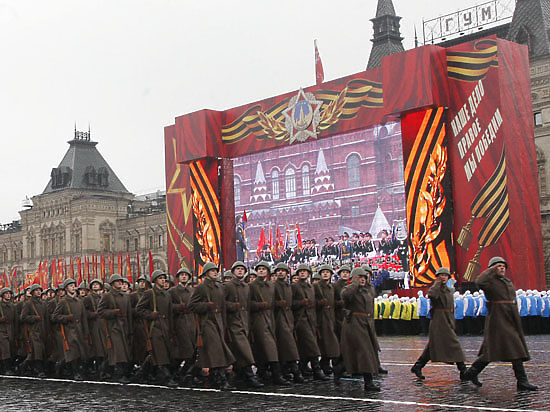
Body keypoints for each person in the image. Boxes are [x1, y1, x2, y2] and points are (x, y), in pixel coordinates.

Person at [462, 257, 538, 391]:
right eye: (498, 266)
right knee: (513, 347)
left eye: (503, 266)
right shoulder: (489, 282)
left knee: (493, 351)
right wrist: (490, 270)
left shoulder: (507, 282)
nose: (502, 268)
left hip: (510, 318)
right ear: (491, 269)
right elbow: (479, 281)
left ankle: (470, 373)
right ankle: (522, 381)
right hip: (498, 319)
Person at [410, 268, 466, 380]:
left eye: (446, 275)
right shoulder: (435, 289)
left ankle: (418, 366)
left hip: (447, 319)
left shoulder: (450, 290)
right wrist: (437, 284)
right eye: (441, 275)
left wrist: (452, 321)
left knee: (432, 347)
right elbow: (431, 295)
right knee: (454, 344)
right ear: (437, 277)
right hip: (439, 321)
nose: (443, 277)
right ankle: (463, 370)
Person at [189, 262, 235, 390]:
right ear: (206, 273)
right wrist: (205, 306)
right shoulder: (201, 288)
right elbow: (192, 305)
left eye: (216, 270)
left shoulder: (220, 287)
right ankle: (221, 379)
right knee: (216, 351)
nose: (215, 272)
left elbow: (223, 307)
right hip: (207, 321)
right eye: (212, 270)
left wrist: (224, 323)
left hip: (219, 320)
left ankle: (194, 374)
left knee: (213, 352)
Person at [336, 266, 381, 392]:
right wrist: (354, 284)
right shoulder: (349, 289)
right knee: (364, 351)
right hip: (354, 323)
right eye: (359, 277)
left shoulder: (367, 291)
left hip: (366, 323)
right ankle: (368, 382)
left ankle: (339, 369)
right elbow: (345, 295)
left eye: (364, 277)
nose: (362, 279)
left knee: (361, 351)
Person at [223, 261, 263, 388]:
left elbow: (249, 306)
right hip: (233, 321)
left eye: (242, 269)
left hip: (244, 321)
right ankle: (250, 375)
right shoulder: (228, 286)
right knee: (244, 349)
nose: (240, 271)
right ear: (233, 271)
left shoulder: (246, 287)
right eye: (237, 269)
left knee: (238, 350)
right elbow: (222, 304)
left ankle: (239, 374)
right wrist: (232, 306)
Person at [249, 261, 290, 385]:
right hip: (258, 319)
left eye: (264, 269)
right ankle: (276, 374)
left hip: (271, 318)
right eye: (259, 269)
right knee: (269, 346)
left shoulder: (271, 286)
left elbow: (275, 302)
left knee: (265, 347)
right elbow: (248, 304)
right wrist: (259, 305)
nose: (261, 271)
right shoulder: (251, 286)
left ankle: (263, 372)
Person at [136, 269, 178, 387]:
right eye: (160, 278)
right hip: (155, 326)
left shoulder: (167, 294)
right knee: (160, 353)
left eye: (164, 278)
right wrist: (150, 315)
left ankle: (142, 373)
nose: (163, 280)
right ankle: (166, 377)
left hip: (165, 326)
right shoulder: (149, 293)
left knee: (159, 353)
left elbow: (170, 313)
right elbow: (139, 309)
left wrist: (172, 330)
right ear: (154, 280)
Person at [292, 263, 328, 380]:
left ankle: (301, 367)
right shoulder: (294, 287)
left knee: (305, 346)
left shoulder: (311, 287)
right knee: (312, 344)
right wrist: (300, 303)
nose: (302, 273)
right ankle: (316, 369)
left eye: (305, 271)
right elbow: (291, 303)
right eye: (300, 271)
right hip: (300, 319)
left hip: (311, 319)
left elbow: (313, 303)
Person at [52, 278, 90, 381]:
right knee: (73, 352)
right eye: (70, 286)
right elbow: (55, 317)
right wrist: (66, 318)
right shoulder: (63, 301)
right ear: (66, 288)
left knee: (80, 351)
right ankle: (75, 372)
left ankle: (63, 366)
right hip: (69, 329)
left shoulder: (79, 301)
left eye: (74, 285)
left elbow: (84, 318)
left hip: (79, 329)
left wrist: (86, 332)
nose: (73, 287)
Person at [98, 274, 133, 384]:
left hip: (124, 325)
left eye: (121, 281)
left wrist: (130, 329)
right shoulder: (107, 296)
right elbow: (100, 311)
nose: (120, 283)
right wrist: (112, 313)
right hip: (113, 326)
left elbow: (129, 314)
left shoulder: (125, 296)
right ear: (112, 283)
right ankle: (119, 374)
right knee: (118, 350)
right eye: (117, 281)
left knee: (121, 351)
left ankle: (104, 371)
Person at [272, 262, 304, 383]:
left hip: (289, 317)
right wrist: (277, 304)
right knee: (288, 344)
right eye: (278, 270)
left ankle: (285, 370)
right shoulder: (273, 286)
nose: (280, 272)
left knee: (285, 346)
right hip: (278, 318)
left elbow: (293, 303)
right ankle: (295, 371)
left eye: (283, 270)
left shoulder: (289, 286)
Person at [169, 267, 196, 386]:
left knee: (193, 352)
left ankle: (184, 374)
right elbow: (168, 307)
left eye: (186, 275)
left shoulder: (192, 291)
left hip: (191, 322)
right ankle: (175, 373)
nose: (184, 277)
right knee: (183, 352)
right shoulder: (172, 291)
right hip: (179, 322)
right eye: (182, 275)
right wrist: (178, 308)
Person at [314, 264, 340, 376]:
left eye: (327, 272)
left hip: (330, 317)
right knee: (324, 343)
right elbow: (312, 302)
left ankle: (325, 363)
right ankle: (322, 364)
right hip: (320, 318)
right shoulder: (316, 287)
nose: (325, 274)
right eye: (323, 272)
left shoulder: (331, 287)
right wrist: (319, 303)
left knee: (330, 343)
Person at [82, 279, 108, 380]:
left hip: (103, 325)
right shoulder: (88, 298)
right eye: (94, 285)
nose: (96, 286)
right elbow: (83, 312)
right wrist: (92, 314)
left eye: (97, 284)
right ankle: (98, 371)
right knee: (98, 350)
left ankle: (103, 370)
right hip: (94, 325)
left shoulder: (103, 297)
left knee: (105, 349)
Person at [20, 284, 48, 378]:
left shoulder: (43, 303)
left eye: (39, 290)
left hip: (43, 329)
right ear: (32, 292)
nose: (38, 292)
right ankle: (39, 370)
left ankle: (24, 365)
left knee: (39, 350)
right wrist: (33, 318)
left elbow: (46, 317)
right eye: (36, 290)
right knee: (37, 350)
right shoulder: (28, 303)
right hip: (33, 330)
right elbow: (23, 317)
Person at [0, 288, 16, 375]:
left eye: (9, 293)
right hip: (1, 330)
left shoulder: (12, 306)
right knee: (5, 350)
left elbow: (16, 320)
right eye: (6, 294)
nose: (8, 295)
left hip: (11, 330)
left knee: (10, 349)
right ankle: (6, 369)